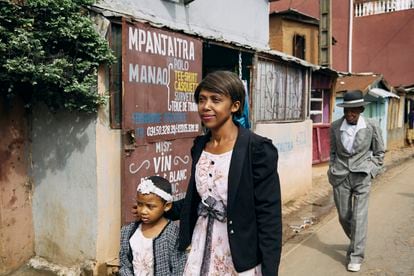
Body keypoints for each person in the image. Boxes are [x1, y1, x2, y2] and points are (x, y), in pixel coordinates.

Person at [167, 70, 282, 275]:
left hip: (238, 254)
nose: (206, 106)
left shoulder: (257, 149)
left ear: (235, 106)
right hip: (201, 246)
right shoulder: (200, 146)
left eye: (216, 100)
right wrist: (164, 207)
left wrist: (270, 269)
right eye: (202, 100)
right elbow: (198, 199)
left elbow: (269, 215)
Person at [328, 90, 385, 272]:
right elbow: (333, 152)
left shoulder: (371, 126)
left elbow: (379, 152)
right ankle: (356, 240)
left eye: (354, 110)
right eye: (347, 110)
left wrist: (372, 170)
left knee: (360, 217)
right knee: (344, 216)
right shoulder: (335, 126)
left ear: (361, 109)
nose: (350, 114)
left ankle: (356, 255)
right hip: (340, 177)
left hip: (362, 176)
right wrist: (332, 168)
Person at [119, 176, 187, 276]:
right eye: (140, 204)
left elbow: (179, 268)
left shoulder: (172, 234)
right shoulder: (128, 232)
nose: (143, 211)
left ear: (167, 206)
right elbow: (124, 264)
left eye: (150, 206)